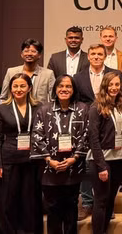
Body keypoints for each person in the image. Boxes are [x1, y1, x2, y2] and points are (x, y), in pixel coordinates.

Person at [31, 74, 90, 234]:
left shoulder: (82, 109)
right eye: (61, 86)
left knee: (71, 210)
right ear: (55, 89)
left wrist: (74, 158)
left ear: (73, 89)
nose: (64, 89)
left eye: (68, 86)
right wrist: (49, 160)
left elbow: (86, 135)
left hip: (73, 168)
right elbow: (37, 136)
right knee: (53, 211)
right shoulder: (44, 110)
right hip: (49, 170)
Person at [0, 74, 43, 234]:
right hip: (9, 160)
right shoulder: (2, 109)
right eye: (15, 86)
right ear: (11, 88)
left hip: (32, 160)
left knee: (30, 201)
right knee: (7, 200)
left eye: (22, 86)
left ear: (29, 88)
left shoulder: (39, 107)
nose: (18, 89)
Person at [88, 72, 122, 234]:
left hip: (119, 160)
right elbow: (93, 139)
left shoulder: (120, 105)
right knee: (101, 201)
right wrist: (101, 166)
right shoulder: (96, 107)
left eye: (117, 85)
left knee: (111, 199)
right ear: (104, 85)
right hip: (102, 161)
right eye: (110, 84)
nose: (114, 88)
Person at [0, 38, 56, 104]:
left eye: (33, 51)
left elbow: (54, 99)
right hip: (15, 112)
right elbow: (3, 98)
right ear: (22, 54)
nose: (29, 54)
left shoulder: (48, 74)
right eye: (26, 51)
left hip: (39, 113)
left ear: (39, 55)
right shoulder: (11, 72)